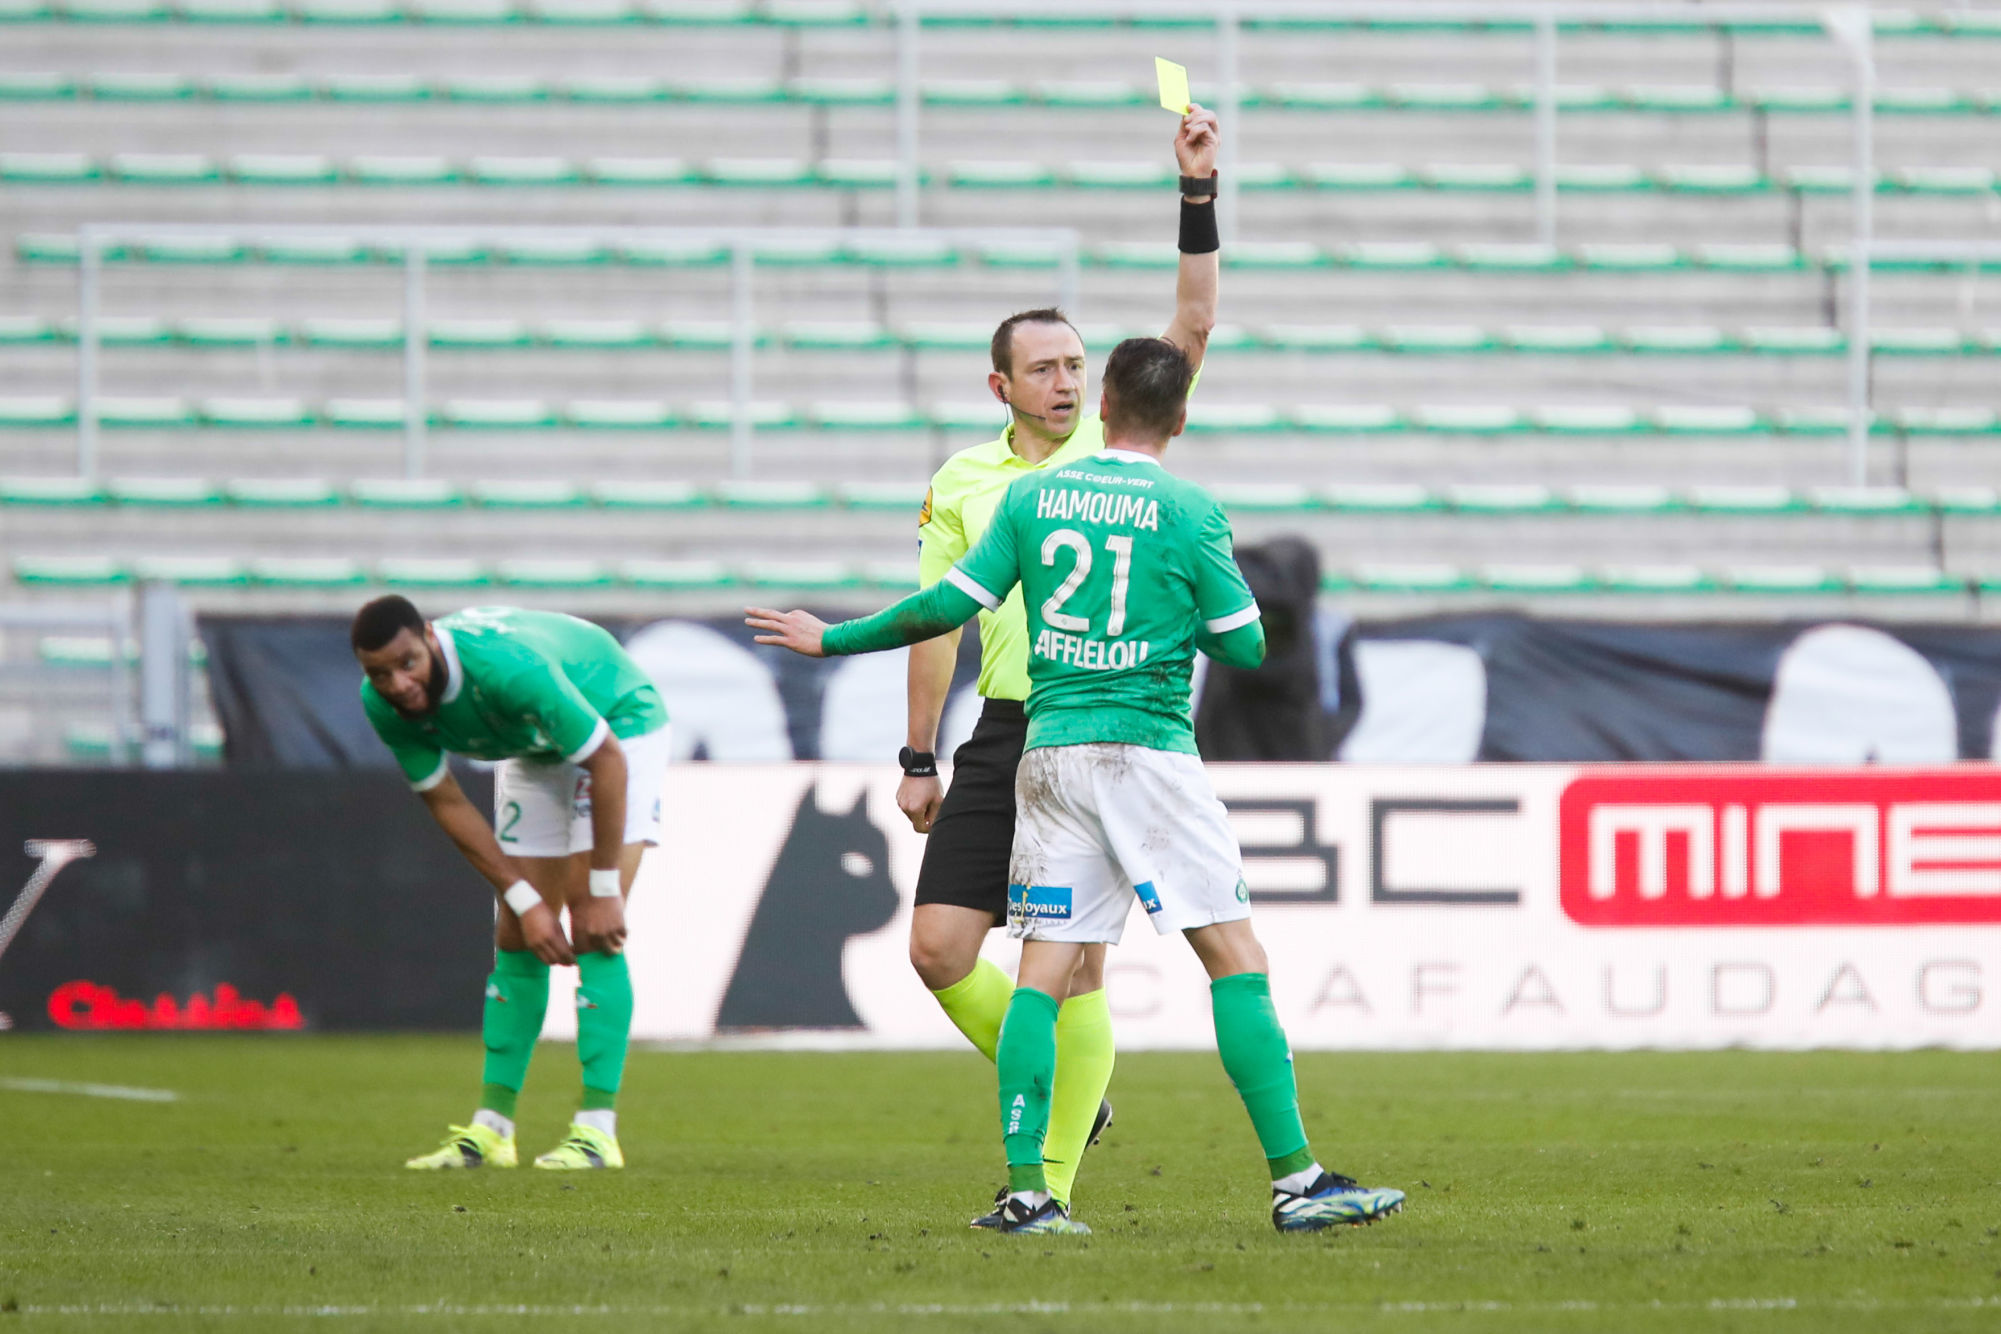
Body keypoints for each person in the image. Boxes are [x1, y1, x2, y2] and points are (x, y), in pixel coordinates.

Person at [748, 338, 1405, 1236]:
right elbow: (1246, 644)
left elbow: (945, 609)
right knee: (1235, 959)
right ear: (1176, 420)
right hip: (1145, 754)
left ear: (1100, 404)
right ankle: (1297, 1182)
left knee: (1039, 977)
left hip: (1046, 751)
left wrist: (830, 640)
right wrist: (1173, 621)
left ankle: (1029, 1193)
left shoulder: (1030, 496)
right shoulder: (1187, 508)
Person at [893, 102, 1223, 1224]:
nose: (1068, 382)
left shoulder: (1115, 443)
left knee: (1071, 964)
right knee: (939, 949)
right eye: (1045, 369)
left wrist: (1195, 191)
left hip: (1103, 723)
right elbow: (938, 619)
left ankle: (1051, 1179)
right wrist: (915, 753)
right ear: (1002, 387)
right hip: (1004, 727)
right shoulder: (965, 481)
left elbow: (1192, 320)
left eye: (1078, 365)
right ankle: (1070, 1089)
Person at [351, 597, 670, 1172]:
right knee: (517, 933)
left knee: (594, 925)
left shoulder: (506, 669)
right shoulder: (382, 705)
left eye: (407, 664)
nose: (396, 684)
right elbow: (446, 802)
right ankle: (492, 1129)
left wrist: (601, 889)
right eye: (379, 673)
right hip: (533, 743)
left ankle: (598, 1131)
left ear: (427, 637)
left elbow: (607, 762)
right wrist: (525, 902)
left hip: (616, 721)